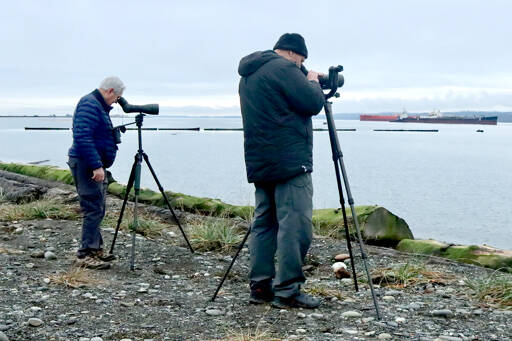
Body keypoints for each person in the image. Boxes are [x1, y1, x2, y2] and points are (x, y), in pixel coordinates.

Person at [238, 33, 325, 308]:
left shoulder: (249, 74)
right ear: (293, 53)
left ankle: (261, 287)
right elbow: (312, 103)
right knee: (294, 224)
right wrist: (312, 82)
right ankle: (288, 290)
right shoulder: (284, 67)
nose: (301, 65)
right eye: (301, 60)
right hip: (289, 162)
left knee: (264, 224)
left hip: (260, 161)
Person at [68, 76, 125, 269]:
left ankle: (95, 248)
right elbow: (82, 136)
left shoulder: (97, 106)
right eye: (117, 98)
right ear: (110, 91)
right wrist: (95, 166)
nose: (117, 102)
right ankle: (84, 254)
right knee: (92, 208)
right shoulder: (89, 104)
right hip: (86, 164)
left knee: (98, 208)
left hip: (92, 163)